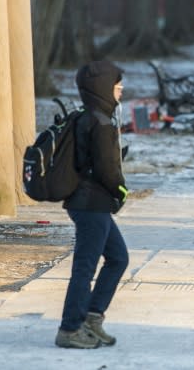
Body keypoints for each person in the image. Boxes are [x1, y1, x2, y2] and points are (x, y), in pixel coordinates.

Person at [56, 60, 130, 349]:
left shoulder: (86, 117)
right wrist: (121, 192)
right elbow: (107, 170)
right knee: (84, 268)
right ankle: (69, 329)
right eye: (117, 84)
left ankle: (91, 317)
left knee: (118, 258)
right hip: (91, 204)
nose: (121, 89)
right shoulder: (100, 124)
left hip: (87, 202)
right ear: (102, 88)